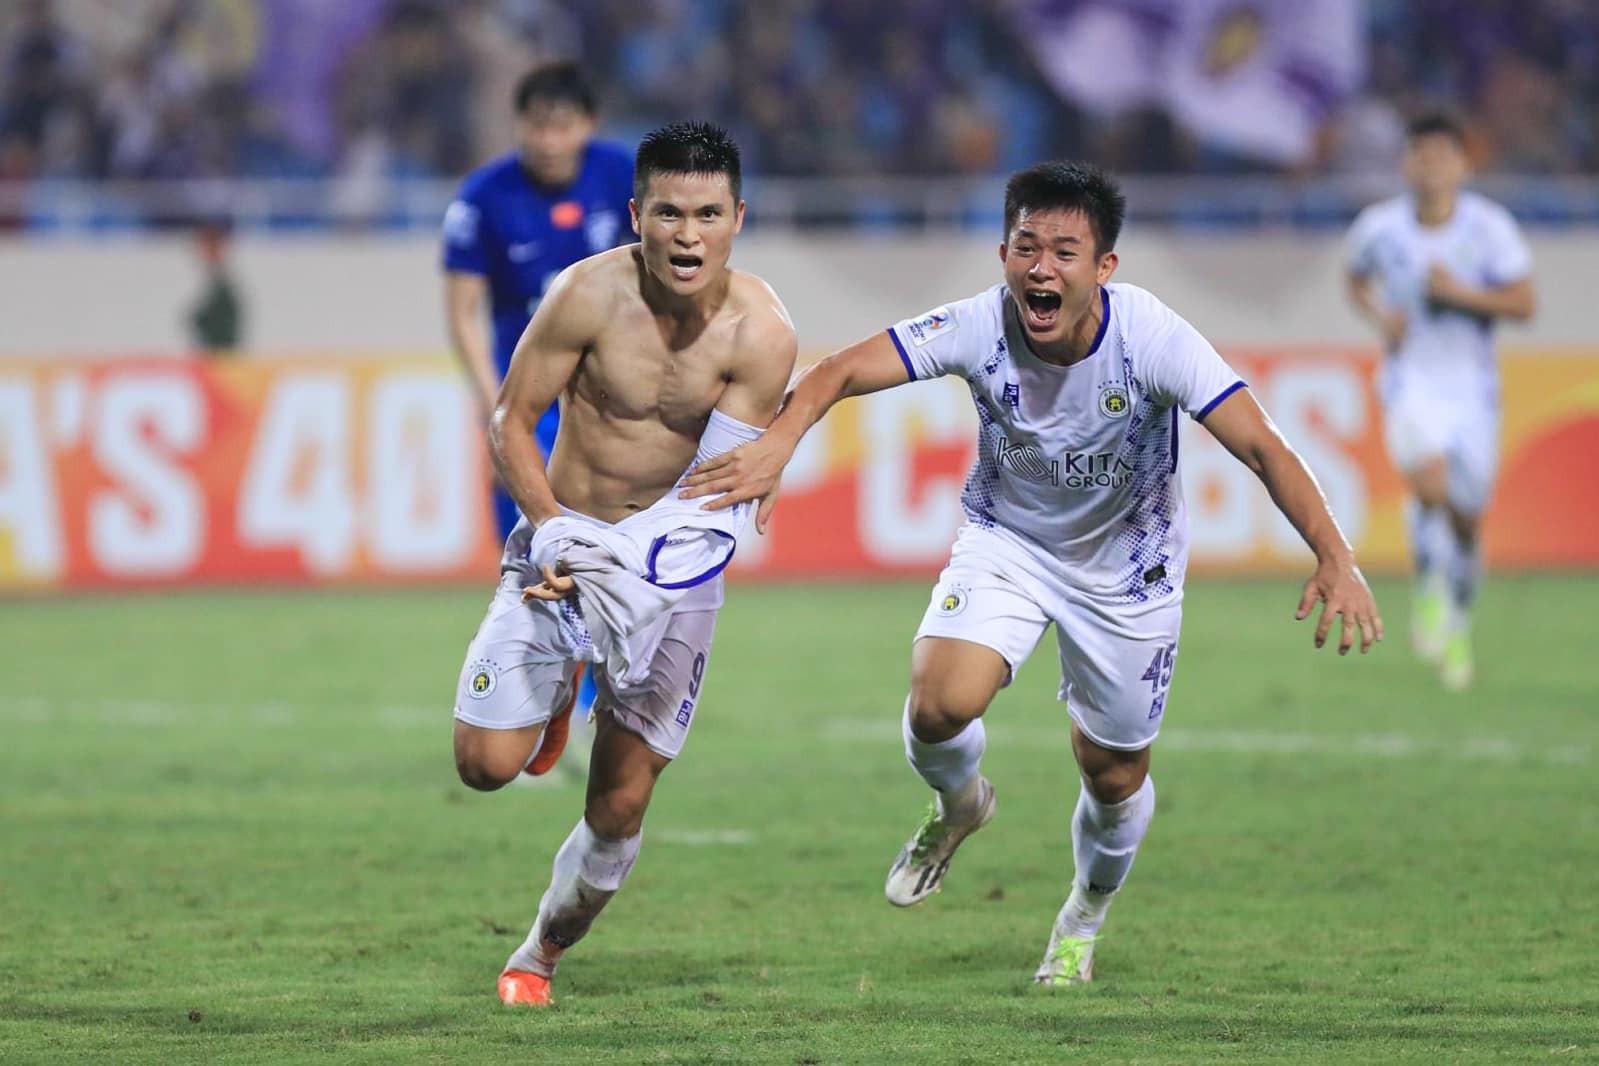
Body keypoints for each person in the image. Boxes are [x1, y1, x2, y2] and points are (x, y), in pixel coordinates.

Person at [682, 161, 1382, 987]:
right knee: (937, 705)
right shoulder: (978, 324)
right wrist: (777, 443)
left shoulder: (1153, 340)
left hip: (1129, 570)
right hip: (1007, 543)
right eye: (1025, 247)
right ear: (1003, 254)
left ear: (1103, 267)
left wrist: (1334, 556)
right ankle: (959, 806)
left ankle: (1082, 915)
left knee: (1111, 773)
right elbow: (836, 372)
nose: (1040, 268)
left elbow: (1262, 445)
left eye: (1063, 252)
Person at [450, 121, 796, 1007]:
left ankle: (537, 954)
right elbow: (509, 420)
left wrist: (626, 569)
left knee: (617, 807)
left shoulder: (762, 333)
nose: (688, 235)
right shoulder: (583, 295)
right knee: (483, 765)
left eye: (708, 215)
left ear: (738, 218)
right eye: (669, 213)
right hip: (560, 545)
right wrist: (553, 531)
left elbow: (715, 488)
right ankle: (560, 685)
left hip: (670, 570)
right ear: (635, 214)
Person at [442, 61, 634, 755]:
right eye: (537, 126)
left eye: (563, 126)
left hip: (608, 393)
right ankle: (553, 690)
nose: (550, 141)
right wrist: (489, 400)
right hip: (527, 397)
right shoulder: (482, 199)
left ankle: (590, 689)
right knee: (532, 548)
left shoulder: (625, 177)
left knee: (608, 540)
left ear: (587, 126)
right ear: (519, 125)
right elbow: (463, 310)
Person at [1345, 112, 1535, 691]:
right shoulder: (1380, 228)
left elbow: (1523, 303)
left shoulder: (1489, 228)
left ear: (1462, 164)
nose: (1429, 167)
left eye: (1440, 156)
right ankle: (1429, 583)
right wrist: (1382, 316)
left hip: (1472, 389)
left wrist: (1460, 294)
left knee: (1467, 519)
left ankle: (1455, 616)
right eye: (1419, 155)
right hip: (1410, 381)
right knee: (1429, 482)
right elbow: (1354, 279)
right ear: (1406, 163)